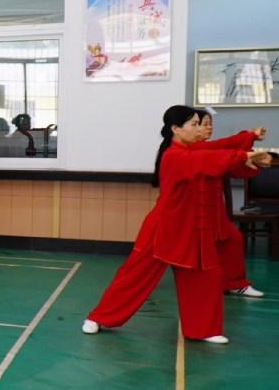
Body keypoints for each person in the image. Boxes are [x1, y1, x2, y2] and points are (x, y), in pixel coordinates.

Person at [82, 105, 271, 343]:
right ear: (176, 129)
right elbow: (203, 161)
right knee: (134, 276)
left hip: (190, 229)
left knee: (208, 275)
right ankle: (97, 317)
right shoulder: (174, 155)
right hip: (163, 228)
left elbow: (214, 154)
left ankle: (204, 330)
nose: (199, 129)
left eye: (200, 124)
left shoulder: (190, 150)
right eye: (194, 124)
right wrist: (243, 155)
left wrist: (248, 159)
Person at [194, 110, 266, 297]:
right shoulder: (191, 151)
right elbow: (223, 147)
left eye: (210, 124)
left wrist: (253, 161)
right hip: (192, 213)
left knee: (232, 239)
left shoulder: (207, 150)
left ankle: (234, 283)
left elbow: (230, 165)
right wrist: (248, 137)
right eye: (203, 124)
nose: (209, 128)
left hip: (213, 212)